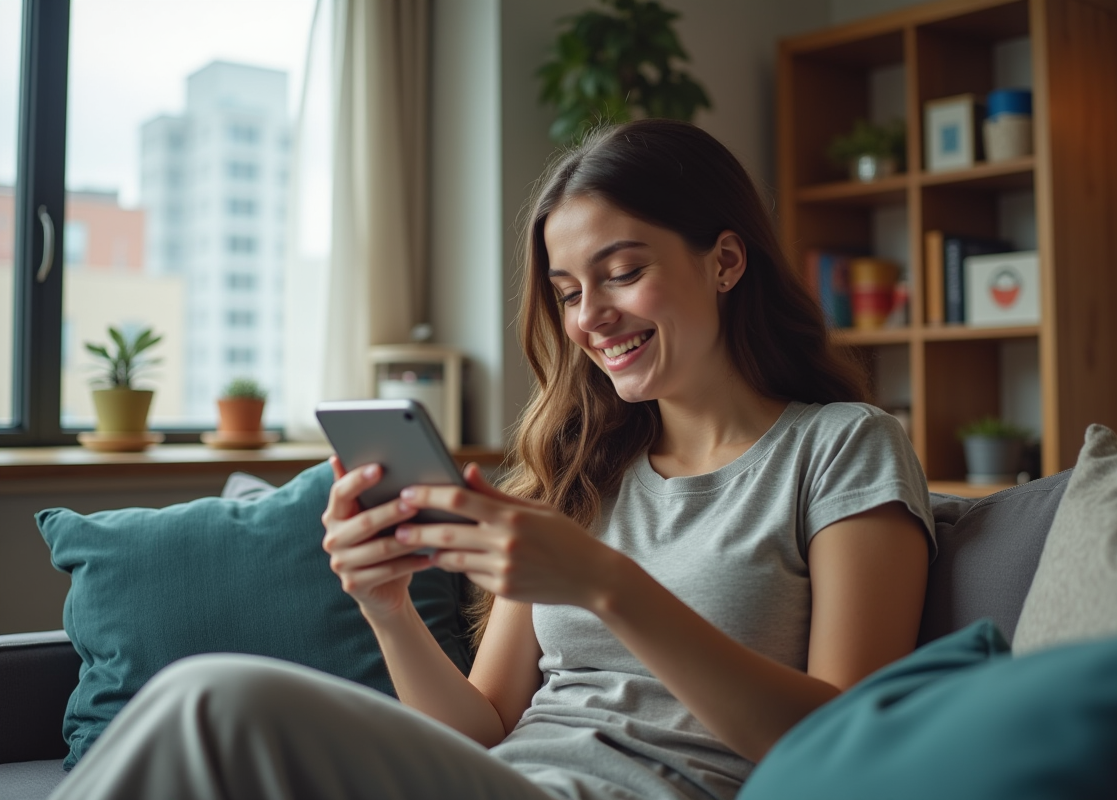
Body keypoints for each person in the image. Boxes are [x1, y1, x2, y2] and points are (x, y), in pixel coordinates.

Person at [49, 119, 934, 800]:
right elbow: (481, 725)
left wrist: (606, 585)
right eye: (568, 293)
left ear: (726, 261)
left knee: (211, 702)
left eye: (622, 273)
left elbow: (846, 745)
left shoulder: (842, 447)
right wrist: (384, 604)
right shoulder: (582, 469)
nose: (590, 318)